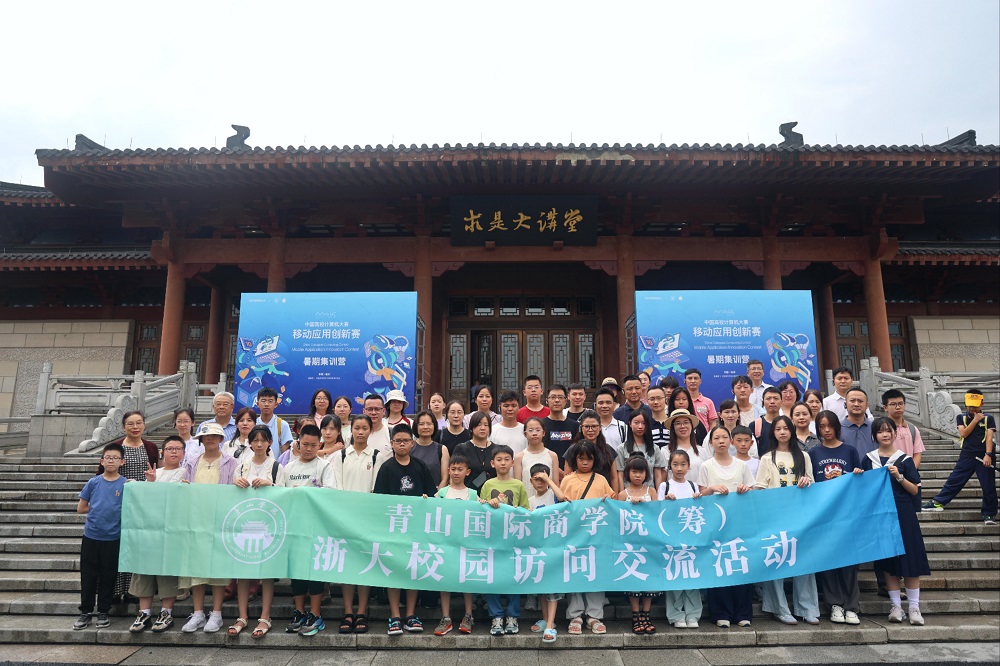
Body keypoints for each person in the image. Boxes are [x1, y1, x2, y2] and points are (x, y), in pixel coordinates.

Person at [864, 417, 931, 625]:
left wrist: (900, 477)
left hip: (903, 513)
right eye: (880, 431)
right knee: (889, 561)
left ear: (895, 433)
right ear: (874, 436)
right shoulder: (869, 460)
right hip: (881, 515)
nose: (885, 434)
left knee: (910, 559)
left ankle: (914, 607)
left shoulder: (905, 460)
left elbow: (915, 491)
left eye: (888, 430)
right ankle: (896, 606)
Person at [754, 415, 819, 625]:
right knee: (776, 560)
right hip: (775, 517)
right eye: (778, 429)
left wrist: (806, 481)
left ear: (792, 431)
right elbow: (760, 488)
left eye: (786, 428)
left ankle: (807, 608)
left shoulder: (804, 456)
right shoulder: (767, 458)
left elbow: (812, 483)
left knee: (804, 561)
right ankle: (779, 608)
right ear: (773, 432)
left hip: (800, 516)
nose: (782, 432)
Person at [374, 423, 437, 635]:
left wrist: (426, 499)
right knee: (393, 570)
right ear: (391, 443)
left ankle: (410, 614)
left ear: (412, 443)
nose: (402, 444)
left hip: (415, 529)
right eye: (398, 441)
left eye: (406, 441)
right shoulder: (386, 468)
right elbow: (379, 500)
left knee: (413, 570)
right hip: (393, 528)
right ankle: (395, 615)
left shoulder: (420, 466)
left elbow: (431, 495)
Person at [230, 425, 287, 639]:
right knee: (243, 571)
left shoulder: (277, 467)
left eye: (263, 440)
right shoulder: (241, 467)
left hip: (269, 525)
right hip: (244, 523)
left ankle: (265, 616)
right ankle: (242, 616)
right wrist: (235, 483)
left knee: (267, 572)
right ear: (250, 443)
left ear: (270, 442)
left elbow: (285, 494)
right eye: (255, 440)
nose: (259, 444)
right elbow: (231, 494)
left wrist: (269, 484)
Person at [127, 436, 188, 633]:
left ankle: (166, 612)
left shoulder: (186, 472)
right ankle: (144, 612)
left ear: (184, 453)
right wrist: (147, 483)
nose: (173, 451)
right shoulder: (154, 472)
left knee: (167, 570)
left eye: (178, 448)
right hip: (149, 528)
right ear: (162, 452)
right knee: (144, 569)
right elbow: (146, 500)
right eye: (169, 448)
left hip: (171, 528)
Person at [180, 422, 237, 633]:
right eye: (206, 436)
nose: (210, 439)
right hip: (196, 520)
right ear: (201, 440)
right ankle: (197, 613)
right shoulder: (192, 462)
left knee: (217, 568)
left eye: (214, 435)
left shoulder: (232, 462)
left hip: (220, 521)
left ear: (221, 439)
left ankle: (216, 613)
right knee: (196, 568)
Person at [331, 414, 384, 634]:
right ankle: (347, 612)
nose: (360, 432)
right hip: (345, 518)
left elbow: (375, 489)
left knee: (364, 564)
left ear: (371, 431)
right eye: (357, 428)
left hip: (367, 519)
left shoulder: (377, 456)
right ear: (350, 430)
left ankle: (361, 611)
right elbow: (337, 487)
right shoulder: (341, 455)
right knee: (347, 567)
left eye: (364, 428)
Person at [809, 410, 863, 626]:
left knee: (849, 562)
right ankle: (834, 604)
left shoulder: (850, 451)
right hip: (824, 516)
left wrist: (858, 474)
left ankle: (852, 606)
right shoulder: (813, 453)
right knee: (828, 560)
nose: (827, 430)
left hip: (847, 514)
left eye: (830, 425)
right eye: (822, 426)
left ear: (837, 427)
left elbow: (859, 482)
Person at [281, 424, 336, 636]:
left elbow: (330, 493)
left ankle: (315, 614)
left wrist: (303, 492)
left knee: (314, 570)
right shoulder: (288, 468)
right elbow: (280, 494)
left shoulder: (324, 466)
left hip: (316, 527)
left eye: (313, 445)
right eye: (305, 444)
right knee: (297, 571)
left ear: (320, 445)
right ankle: (299, 612)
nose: (309, 448)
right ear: (298, 443)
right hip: (294, 526)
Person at [697, 427, 754, 628]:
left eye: (724, 437)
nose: (721, 441)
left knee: (740, 564)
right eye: (716, 438)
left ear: (730, 441)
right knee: (718, 565)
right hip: (715, 523)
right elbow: (700, 494)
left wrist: (745, 489)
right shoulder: (706, 466)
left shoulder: (742, 465)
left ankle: (743, 612)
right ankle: (721, 612)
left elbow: (752, 490)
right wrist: (711, 489)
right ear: (710, 442)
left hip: (739, 522)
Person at [560, 440, 615, 635]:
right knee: (575, 572)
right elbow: (562, 507)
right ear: (574, 459)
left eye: (589, 459)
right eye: (581, 458)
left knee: (595, 572)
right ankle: (575, 614)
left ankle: (594, 615)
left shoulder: (601, 480)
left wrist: (608, 501)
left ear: (595, 460)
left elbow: (612, 502)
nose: (584, 462)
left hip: (596, 536)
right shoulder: (567, 480)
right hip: (574, 534)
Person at [73, 442, 128, 630]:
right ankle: (85, 612)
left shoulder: (126, 484)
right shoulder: (93, 482)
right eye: (108, 458)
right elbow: (81, 508)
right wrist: (98, 509)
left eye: (115, 458)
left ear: (122, 462)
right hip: (91, 536)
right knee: (88, 575)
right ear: (102, 461)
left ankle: (103, 611)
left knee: (108, 576)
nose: (111, 461)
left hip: (113, 537)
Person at [923, 389, 997, 524]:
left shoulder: (988, 418)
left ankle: (989, 514)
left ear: (982, 403)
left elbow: (989, 438)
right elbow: (963, 434)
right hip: (967, 455)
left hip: (984, 455)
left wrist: (988, 454)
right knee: (955, 479)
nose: (972, 408)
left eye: (975, 405)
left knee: (988, 486)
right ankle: (938, 502)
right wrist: (975, 420)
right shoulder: (961, 417)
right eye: (970, 405)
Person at [480, 444, 531, 635]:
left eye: (506, 459)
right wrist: (488, 503)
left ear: (512, 463)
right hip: (492, 538)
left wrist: (518, 510)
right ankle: (496, 616)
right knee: (492, 576)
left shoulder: (518, 485)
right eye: (499, 460)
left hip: (513, 538)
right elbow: (481, 508)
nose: (503, 463)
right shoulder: (488, 485)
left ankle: (512, 615)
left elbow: (526, 510)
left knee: (513, 576)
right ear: (492, 463)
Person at [108, 410, 158, 603]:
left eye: (139, 423)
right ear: (123, 427)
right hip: (118, 503)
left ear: (144, 425)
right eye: (130, 424)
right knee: (118, 546)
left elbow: (157, 473)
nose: (135, 427)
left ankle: (133, 590)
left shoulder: (151, 447)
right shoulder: (116, 447)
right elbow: (103, 474)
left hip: (143, 505)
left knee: (137, 546)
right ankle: (114, 590)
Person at [658, 449, 703, 630]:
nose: (679, 468)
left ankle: (693, 615)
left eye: (683, 464)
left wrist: (698, 498)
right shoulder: (665, 486)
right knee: (675, 577)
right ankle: (676, 614)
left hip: (691, 538)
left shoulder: (693, 486)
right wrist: (667, 501)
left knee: (692, 576)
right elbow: (658, 511)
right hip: (672, 538)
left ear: (688, 466)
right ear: (670, 466)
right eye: (675, 464)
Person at [433, 456, 477, 636]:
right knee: (445, 578)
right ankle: (446, 618)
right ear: (448, 471)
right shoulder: (442, 493)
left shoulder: (473, 494)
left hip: (466, 543)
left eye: (460, 469)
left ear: (468, 472)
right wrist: (425, 501)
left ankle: (468, 616)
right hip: (446, 542)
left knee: (466, 578)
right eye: (453, 469)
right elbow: (432, 512)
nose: (456, 473)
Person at [526, 463, 566, 643]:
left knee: (552, 587)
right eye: (537, 479)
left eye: (543, 479)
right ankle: (545, 619)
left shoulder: (553, 495)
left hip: (554, 547)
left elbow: (563, 498)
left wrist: (549, 480)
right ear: (531, 481)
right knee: (541, 586)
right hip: (538, 547)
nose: (540, 482)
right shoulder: (530, 500)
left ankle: (550, 624)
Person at [618, 454, 658, 635]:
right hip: (630, 544)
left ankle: (646, 615)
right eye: (634, 471)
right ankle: (635, 616)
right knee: (633, 578)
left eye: (641, 472)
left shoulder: (651, 491)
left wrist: (644, 504)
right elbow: (617, 519)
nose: (637, 475)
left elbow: (658, 515)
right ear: (628, 473)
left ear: (646, 474)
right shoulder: (622, 494)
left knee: (649, 579)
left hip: (649, 544)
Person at [565, 409, 620, 495]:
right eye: (587, 426)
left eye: (594, 426)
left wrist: (614, 498)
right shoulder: (572, 450)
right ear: (581, 427)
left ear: (600, 427)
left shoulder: (608, 450)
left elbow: (614, 478)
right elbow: (568, 476)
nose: (590, 430)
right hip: (579, 496)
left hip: (603, 497)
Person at [616, 409, 667, 490]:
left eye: (644, 423)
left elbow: (658, 475)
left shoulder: (655, 448)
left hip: (649, 493)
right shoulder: (621, 449)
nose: (640, 426)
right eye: (636, 423)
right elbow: (620, 475)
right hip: (629, 493)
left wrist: (658, 494)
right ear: (630, 424)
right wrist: (622, 494)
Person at [881, 389, 925, 469]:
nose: (898, 407)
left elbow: (917, 453)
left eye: (901, 403)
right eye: (893, 404)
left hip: (909, 474)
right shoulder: (880, 430)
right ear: (885, 407)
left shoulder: (912, 429)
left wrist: (911, 471)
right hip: (888, 472)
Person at [514, 416, 560, 489]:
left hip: (549, 496)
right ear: (525, 434)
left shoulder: (552, 456)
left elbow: (556, 484)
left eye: (538, 430)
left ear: (543, 433)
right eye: (530, 430)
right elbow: (517, 486)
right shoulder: (519, 457)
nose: (534, 433)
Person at [665, 408, 706, 486]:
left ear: (691, 426)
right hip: (674, 493)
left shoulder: (702, 451)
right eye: (678, 423)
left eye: (686, 422)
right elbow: (662, 479)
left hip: (698, 493)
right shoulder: (666, 451)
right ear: (673, 428)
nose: (682, 426)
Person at [411, 410, 449, 488]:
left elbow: (445, 479)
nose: (425, 427)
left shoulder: (442, 449)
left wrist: (437, 494)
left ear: (434, 426)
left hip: (435, 493)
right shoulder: (409, 447)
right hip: (413, 492)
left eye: (429, 424)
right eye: (421, 424)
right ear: (416, 426)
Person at [542, 384, 579, 460]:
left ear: (566, 401)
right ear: (547, 400)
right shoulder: (541, 425)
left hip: (569, 467)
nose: (557, 400)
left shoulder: (575, 425)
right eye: (553, 397)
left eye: (560, 397)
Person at [256, 387, 293, 458]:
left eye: (270, 401)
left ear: (276, 404)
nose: (266, 404)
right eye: (263, 401)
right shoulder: (253, 424)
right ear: (257, 404)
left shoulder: (282, 425)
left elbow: (285, 455)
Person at [490, 389, 528, 454]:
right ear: (500, 408)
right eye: (506, 406)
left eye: (513, 406)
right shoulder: (493, 431)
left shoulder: (525, 430)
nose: (510, 409)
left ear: (518, 407)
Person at [841, 388, 875, 458]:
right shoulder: (837, 428)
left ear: (867, 405)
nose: (856, 404)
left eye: (860, 401)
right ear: (845, 404)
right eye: (852, 401)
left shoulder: (875, 427)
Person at [752, 386, 782, 456]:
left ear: (782, 402)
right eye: (768, 398)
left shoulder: (788, 424)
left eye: (776, 398)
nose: (772, 401)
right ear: (763, 402)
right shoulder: (755, 425)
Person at [594, 387, 626, 451]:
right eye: (601, 403)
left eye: (608, 402)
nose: (604, 406)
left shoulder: (623, 427)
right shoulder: (590, 427)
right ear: (595, 405)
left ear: (614, 405)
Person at [646, 385, 671, 449]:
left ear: (665, 399)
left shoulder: (672, 422)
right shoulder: (645, 424)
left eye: (659, 398)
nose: (656, 402)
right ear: (647, 401)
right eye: (652, 399)